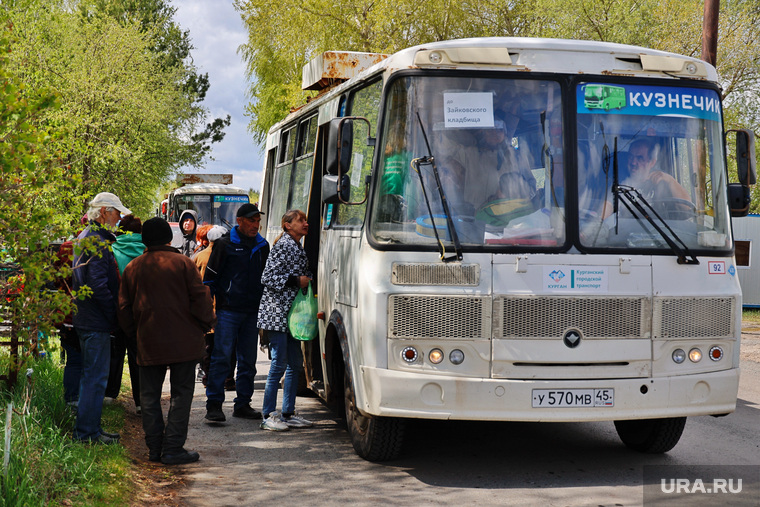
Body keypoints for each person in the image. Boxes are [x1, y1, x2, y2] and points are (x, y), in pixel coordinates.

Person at [118, 217, 215, 465]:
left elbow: (123, 308)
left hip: (148, 341)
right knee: (181, 395)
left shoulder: (133, 268)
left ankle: (154, 449)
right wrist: (206, 326)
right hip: (184, 342)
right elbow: (200, 299)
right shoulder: (183, 263)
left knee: (149, 396)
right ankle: (172, 448)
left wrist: (135, 334)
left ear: (143, 240)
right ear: (170, 239)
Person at [72, 192, 131, 444]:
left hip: (87, 318)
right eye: (117, 212)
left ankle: (90, 429)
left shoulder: (88, 237)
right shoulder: (95, 240)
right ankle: (87, 433)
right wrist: (113, 313)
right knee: (95, 379)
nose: (119, 218)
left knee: (91, 378)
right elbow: (97, 284)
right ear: (105, 211)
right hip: (95, 320)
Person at [203, 203, 270, 422]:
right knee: (221, 357)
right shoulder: (224, 245)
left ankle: (243, 404)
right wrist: (209, 313)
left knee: (248, 360)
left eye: (258, 221)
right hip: (227, 311)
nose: (255, 225)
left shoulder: (262, 246)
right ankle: (214, 405)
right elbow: (209, 281)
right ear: (239, 221)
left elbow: (266, 280)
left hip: (252, 313)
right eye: (251, 220)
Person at [258, 209, 314, 432]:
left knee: (295, 364)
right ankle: (268, 415)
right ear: (287, 225)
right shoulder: (284, 245)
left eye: (305, 220)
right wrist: (296, 280)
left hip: (290, 316)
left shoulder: (295, 244)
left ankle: (287, 413)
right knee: (279, 365)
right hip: (277, 314)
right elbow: (267, 277)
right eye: (300, 220)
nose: (305, 223)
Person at [106, 214, 145, 413]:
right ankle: (140, 402)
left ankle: (110, 395)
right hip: (140, 311)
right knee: (138, 356)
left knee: (115, 351)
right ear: (140, 231)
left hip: (115, 308)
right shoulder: (146, 251)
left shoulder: (111, 249)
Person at [621, 138, 691, 202]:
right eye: (631, 157)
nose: (633, 162)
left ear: (652, 162)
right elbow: (610, 204)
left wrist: (671, 181)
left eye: (640, 158)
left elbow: (687, 208)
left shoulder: (663, 183)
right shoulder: (621, 183)